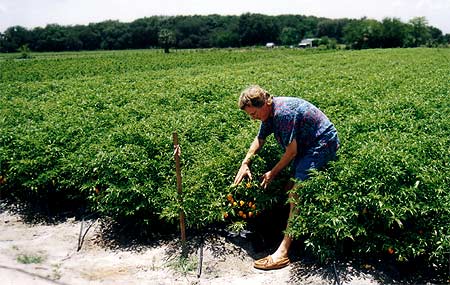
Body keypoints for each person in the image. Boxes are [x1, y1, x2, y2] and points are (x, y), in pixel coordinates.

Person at [233, 85, 340, 270]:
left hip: (321, 143)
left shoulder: (283, 114)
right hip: (306, 144)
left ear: (264, 104)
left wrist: (272, 173)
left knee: (296, 193)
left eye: (254, 114)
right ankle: (290, 228)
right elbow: (259, 139)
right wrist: (245, 163)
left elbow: (291, 152)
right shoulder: (269, 112)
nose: (253, 118)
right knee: (289, 188)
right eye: (250, 115)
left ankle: (283, 252)